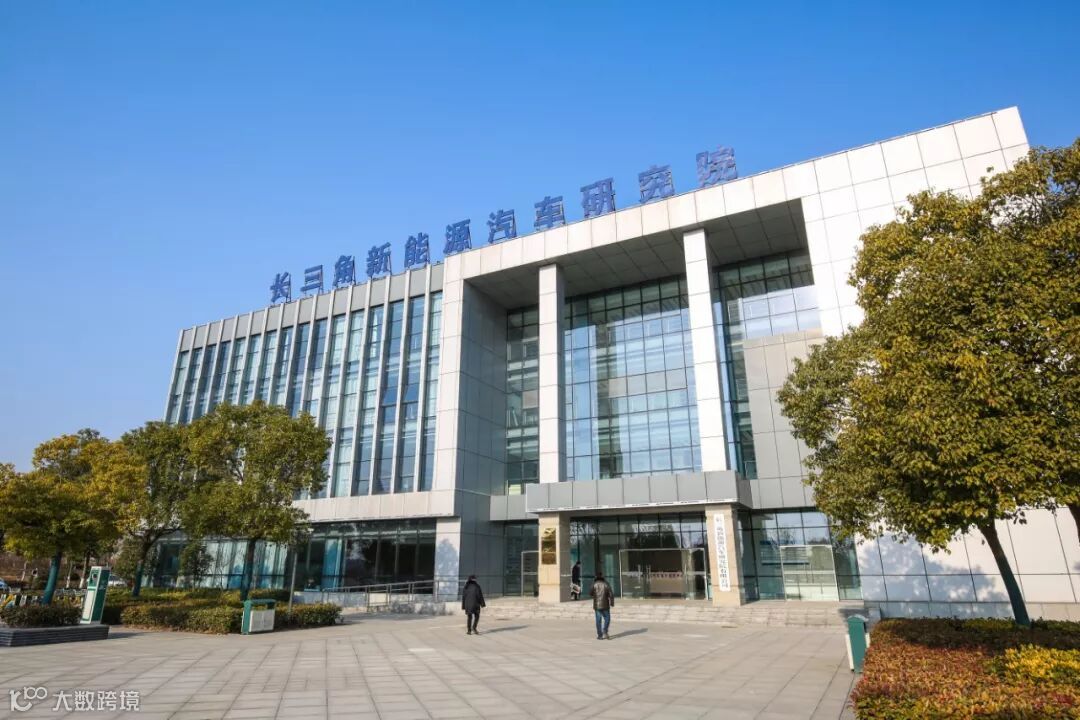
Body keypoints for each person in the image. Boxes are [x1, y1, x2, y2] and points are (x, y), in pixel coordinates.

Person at [589, 572, 615, 640]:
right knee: (607, 618)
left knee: (598, 620)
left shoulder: (594, 584)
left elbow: (590, 593)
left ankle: (600, 635)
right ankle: (605, 631)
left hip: (597, 605)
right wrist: (612, 603)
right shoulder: (606, 584)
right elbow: (611, 594)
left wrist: (595, 594)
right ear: (602, 576)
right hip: (605, 604)